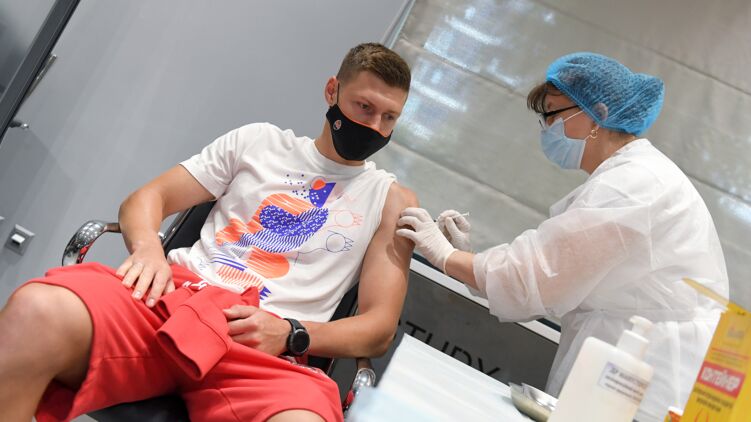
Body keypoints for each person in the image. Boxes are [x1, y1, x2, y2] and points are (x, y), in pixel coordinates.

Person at [0, 42, 417, 422]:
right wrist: (148, 250)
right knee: (36, 310)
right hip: (173, 302)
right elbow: (147, 198)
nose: (375, 127)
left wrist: (291, 332)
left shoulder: (390, 201)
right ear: (332, 91)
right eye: (364, 107)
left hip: (265, 351)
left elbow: (379, 328)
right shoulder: (259, 142)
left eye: (389, 117)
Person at [396, 52, 728, 421]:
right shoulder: (630, 175)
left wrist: (445, 255)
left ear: (598, 114)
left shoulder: (632, 185)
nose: (546, 127)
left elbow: (535, 276)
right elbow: (552, 280)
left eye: (554, 114)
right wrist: (466, 259)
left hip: (653, 377)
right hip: (631, 365)